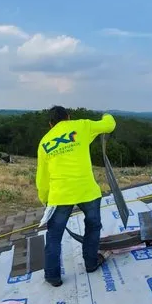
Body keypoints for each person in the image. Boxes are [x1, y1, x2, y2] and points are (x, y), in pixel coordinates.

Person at [36, 105, 116, 287]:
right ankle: (90, 263)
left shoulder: (44, 142)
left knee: (54, 237)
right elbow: (109, 125)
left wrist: (45, 198)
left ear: (50, 124)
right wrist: (106, 113)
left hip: (60, 195)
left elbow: (42, 177)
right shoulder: (81, 126)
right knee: (93, 226)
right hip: (87, 191)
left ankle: (52, 276)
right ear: (68, 117)